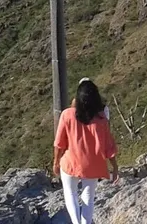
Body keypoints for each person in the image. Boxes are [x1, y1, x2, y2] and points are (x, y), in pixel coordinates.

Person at [54, 79, 120, 224]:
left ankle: (76, 222)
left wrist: (56, 162)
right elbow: (109, 147)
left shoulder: (67, 115)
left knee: (70, 193)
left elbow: (59, 144)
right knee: (88, 198)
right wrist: (115, 167)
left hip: (70, 163)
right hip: (93, 165)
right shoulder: (101, 120)